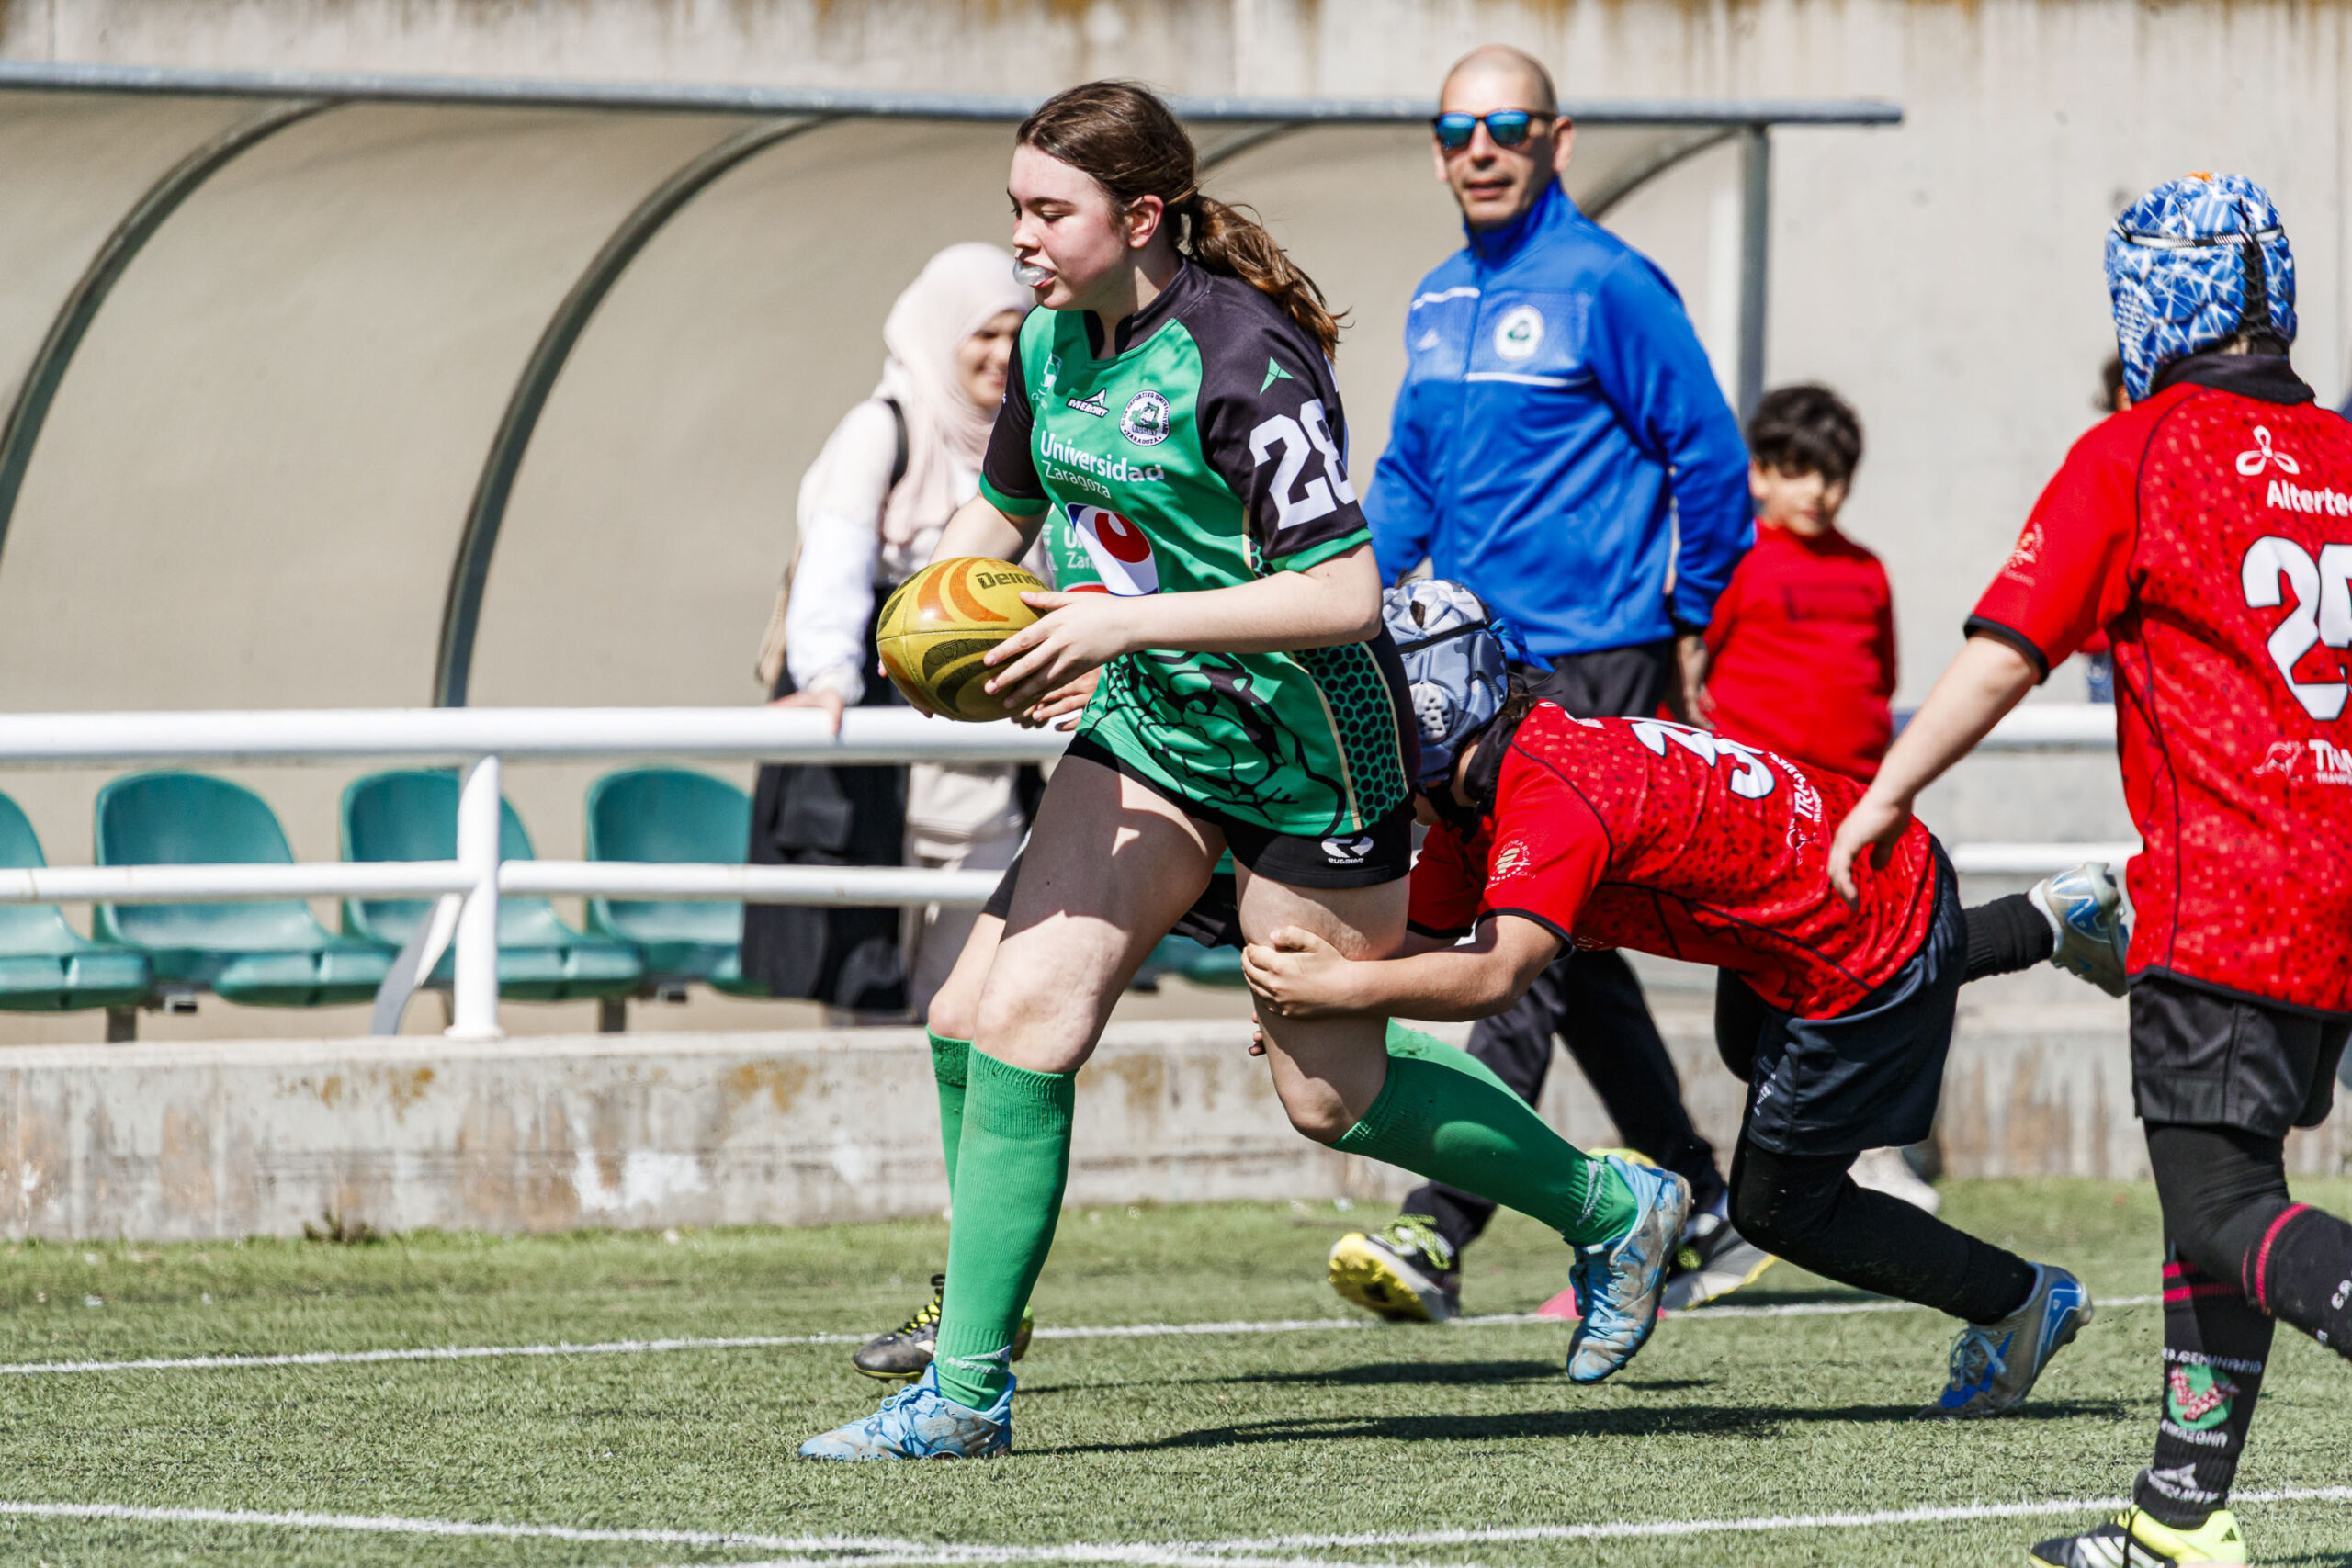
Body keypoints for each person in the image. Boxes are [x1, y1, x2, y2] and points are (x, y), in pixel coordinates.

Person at [798, 80, 1693, 1462]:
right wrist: (955, 633)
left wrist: (1114, 621)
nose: (1023, 239)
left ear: (1142, 215)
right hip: (1155, 724)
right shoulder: (1047, 349)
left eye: (1051, 211)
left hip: (1310, 748)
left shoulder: (1241, 354)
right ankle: (970, 1369)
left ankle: (1608, 1206)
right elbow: (999, 526)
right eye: (1015, 210)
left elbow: (1342, 591)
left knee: (1327, 1090)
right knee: (988, 1015)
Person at [1827, 175, 2352, 1568]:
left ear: (2149, 299)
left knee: (2224, 1205)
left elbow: (2010, 648)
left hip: (2229, 893)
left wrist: (1888, 789)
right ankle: (2181, 1511)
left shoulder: (2137, 450)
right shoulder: (2346, 456)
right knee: (2225, 1193)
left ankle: (2182, 1510)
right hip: (2339, 890)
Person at [1247, 581, 2116, 1417]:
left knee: (1778, 1209)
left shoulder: (1544, 797)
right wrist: (1330, 1000)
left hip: (1859, 937)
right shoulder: (1483, 793)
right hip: (1839, 892)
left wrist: (1348, 986)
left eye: (1366, 707)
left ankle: (2020, 1300)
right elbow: (1423, 949)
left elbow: (1494, 974)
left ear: (1432, 711)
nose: (1349, 732)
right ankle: (2042, 922)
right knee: (1751, 1055)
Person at [1340, 43, 1756, 1322]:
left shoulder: (1612, 287)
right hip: (1459, 680)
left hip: (1589, 658)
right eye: (1455, 128)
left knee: (1518, 939)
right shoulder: (1433, 299)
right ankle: (1701, 1196)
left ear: (1554, 138)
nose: (1480, 148)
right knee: (1567, 947)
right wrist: (1354, 613)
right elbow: (1407, 478)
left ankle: (1437, 1225)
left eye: (1505, 126)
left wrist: (1674, 625)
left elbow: (1712, 463)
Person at [745, 243, 1037, 1020]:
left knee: (967, 988)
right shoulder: (884, 429)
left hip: (986, 750)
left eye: (1018, 332)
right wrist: (829, 681)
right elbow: (833, 564)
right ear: (942, 335)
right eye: (983, 334)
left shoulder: (1030, 441)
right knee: (869, 975)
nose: (1002, 355)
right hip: (886, 732)